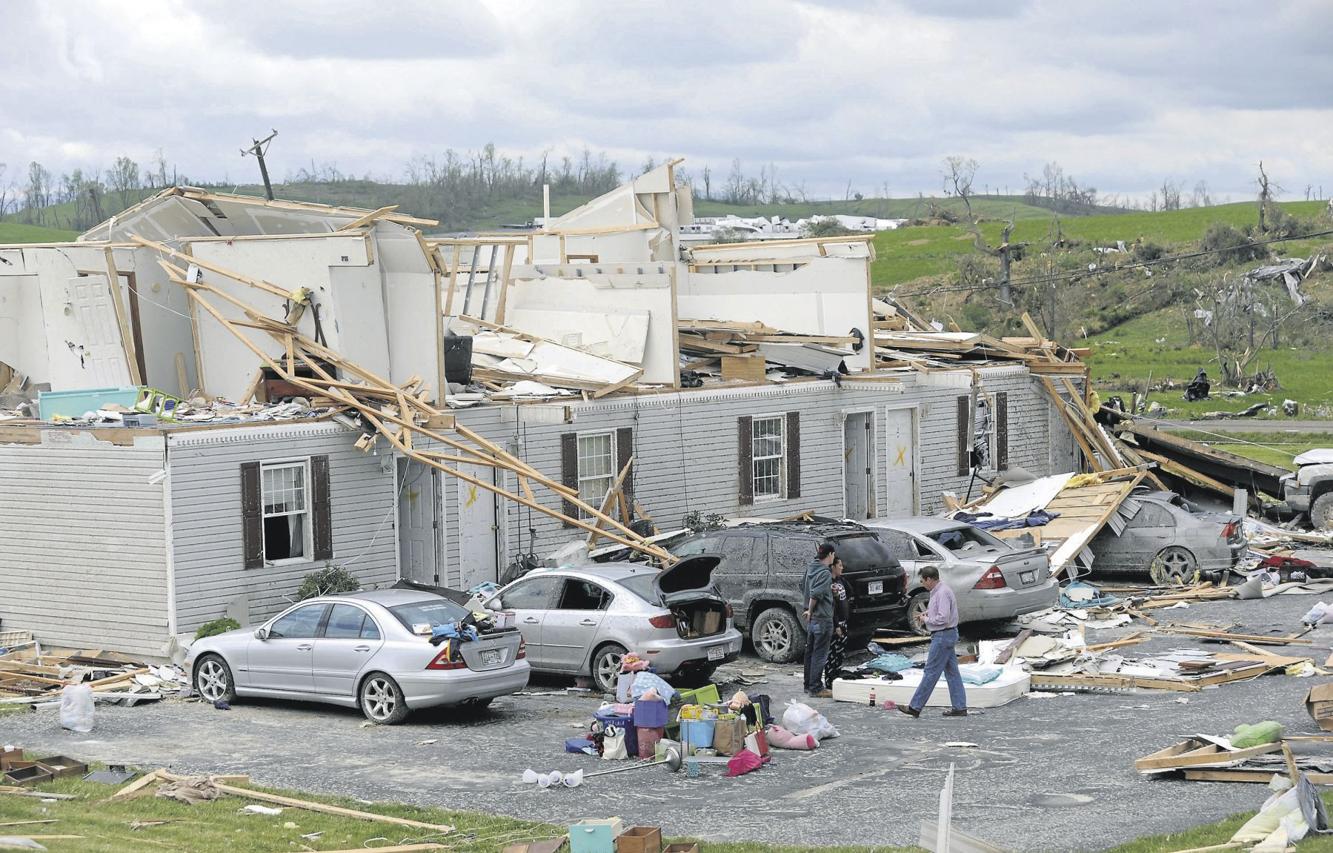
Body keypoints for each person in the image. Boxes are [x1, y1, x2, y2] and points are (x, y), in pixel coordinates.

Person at [898, 565, 967, 718]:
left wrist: (926, 619)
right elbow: (941, 611)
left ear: (929, 579)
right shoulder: (941, 590)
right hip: (947, 635)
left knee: (931, 672)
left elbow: (943, 617)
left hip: (943, 635)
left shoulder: (941, 593)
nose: (922, 584)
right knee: (952, 672)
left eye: (923, 581)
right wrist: (927, 612)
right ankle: (960, 706)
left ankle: (915, 706)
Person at [802, 542, 836, 698]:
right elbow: (816, 594)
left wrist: (828, 590)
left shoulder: (811, 568)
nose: (833, 558)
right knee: (819, 654)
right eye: (833, 555)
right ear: (829, 555)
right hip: (821, 618)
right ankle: (816, 687)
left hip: (813, 620)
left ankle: (808, 685)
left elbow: (804, 586)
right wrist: (811, 608)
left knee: (810, 653)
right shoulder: (825, 572)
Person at [823, 557, 852, 690]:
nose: (842, 567)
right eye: (839, 565)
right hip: (835, 622)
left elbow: (850, 592)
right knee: (832, 653)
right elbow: (831, 606)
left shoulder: (841, 580)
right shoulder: (828, 582)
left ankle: (836, 678)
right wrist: (836, 625)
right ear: (833, 566)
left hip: (843, 620)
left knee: (840, 652)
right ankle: (829, 680)